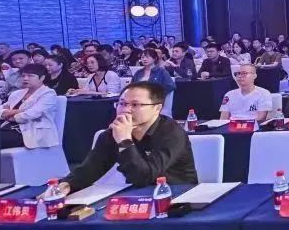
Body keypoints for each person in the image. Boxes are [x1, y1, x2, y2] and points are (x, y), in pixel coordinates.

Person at [56, 82, 197, 192]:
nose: (126, 110)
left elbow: (144, 178)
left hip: (177, 195)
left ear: (157, 108)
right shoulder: (113, 133)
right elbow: (90, 169)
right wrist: (66, 185)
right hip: (135, 196)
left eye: (135, 104)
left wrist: (124, 141)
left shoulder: (171, 133)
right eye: (122, 103)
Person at [0, 63, 59, 150]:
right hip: (8, 128)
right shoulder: (17, 93)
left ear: (42, 78)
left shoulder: (48, 94)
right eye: (23, 76)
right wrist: (18, 111)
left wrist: (10, 116)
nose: (25, 78)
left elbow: (31, 114)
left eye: (30, 76)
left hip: (32, 132)